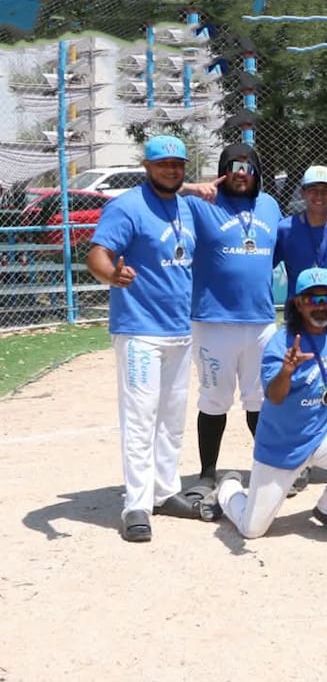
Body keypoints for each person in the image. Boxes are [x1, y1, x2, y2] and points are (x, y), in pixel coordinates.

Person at [87, 134, 212, 542]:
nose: (172, 170)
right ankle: (137, 504)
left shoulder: (185, 206)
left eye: (178, 164)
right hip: (140, 331)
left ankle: (165, 490)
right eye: (163, 164)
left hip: (179, 331)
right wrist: (111, 275)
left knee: (172, 420)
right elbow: (97, 255)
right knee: (141, 420)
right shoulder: (126, 207)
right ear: (147, 166)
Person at [214, 268, 327, 540]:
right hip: (281, 447)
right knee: (252, 530)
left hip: (320, 438)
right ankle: (228, 488)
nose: (320, 307)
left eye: (326, 300)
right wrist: (286, 370)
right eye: (311, 300)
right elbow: (274, 397)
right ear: (297, 303)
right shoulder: (281, 343)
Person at [184, 142, 282, 487]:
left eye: (248, 168)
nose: (241, 175)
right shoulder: (201, 203)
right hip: (213, 321)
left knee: (261, 400)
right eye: (233, 167)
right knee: (214, 398)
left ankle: (270, 470)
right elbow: (159, 194)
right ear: (223, 170)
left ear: (257, 172)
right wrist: (190, 186)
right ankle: (207, 474)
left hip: (261, 322)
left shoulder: (269, 206)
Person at [274, 165, 327, 318]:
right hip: (299, 313)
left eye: (326, 191)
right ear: (303, 193)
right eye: (313, 190)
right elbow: (268, 263)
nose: (319, 196)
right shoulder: (286, 229)